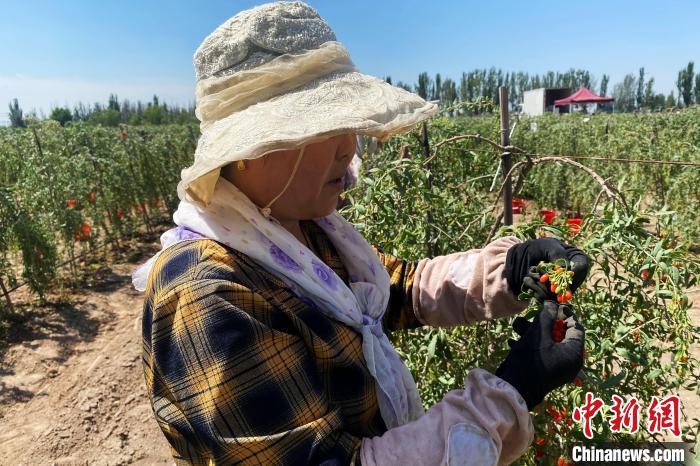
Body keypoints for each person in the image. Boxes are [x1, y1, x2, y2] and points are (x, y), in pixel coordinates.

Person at [133, 2, 588, 465]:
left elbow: (395, 289)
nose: (350, 146)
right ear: (248, 151)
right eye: (324, 128)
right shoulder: (209, 295)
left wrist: (508, 272)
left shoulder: (298, 230)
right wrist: (508, 393)